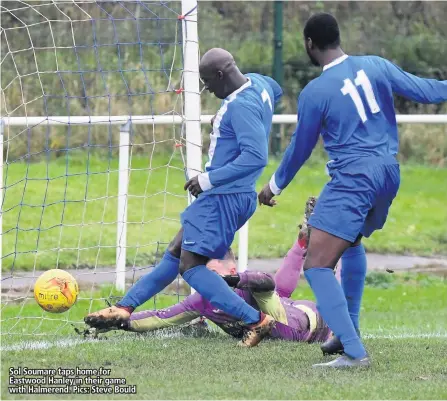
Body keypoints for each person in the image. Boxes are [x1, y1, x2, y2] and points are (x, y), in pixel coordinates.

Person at [258, 12, 447, 368]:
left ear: (309, 44)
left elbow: (301, 147)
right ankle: (346, 335)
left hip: (354, 179)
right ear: (339, 37)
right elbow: (426, 90)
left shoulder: (315, 91)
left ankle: (355, 354)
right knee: (352, 241)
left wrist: (273, 185)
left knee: (316, 263)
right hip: (389, 172)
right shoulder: (375, 65)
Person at [85, 48, 283, 347]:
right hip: (233, 195)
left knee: (190, 267)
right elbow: (276, 91)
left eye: (207, 82)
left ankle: (257, 321)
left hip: (222, 197)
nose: (207, 89)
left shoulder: (240, 106)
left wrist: (207, 179)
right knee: (177, 251)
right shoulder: (260, 83)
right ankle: (124, 307)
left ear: (221, 74)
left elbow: (256, 157)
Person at [85, 198, 334, 344]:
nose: (204, 277)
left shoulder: (244, 282)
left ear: (231, 268)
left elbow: (266, 281)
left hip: (312, 323)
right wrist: (120, 323)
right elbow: (160, 317)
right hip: (289, 307)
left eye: (210, 271)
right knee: (278, 294)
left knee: (268, 292)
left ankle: (309, 241)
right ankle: (304, 240)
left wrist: (234, 280)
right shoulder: (203, 299)